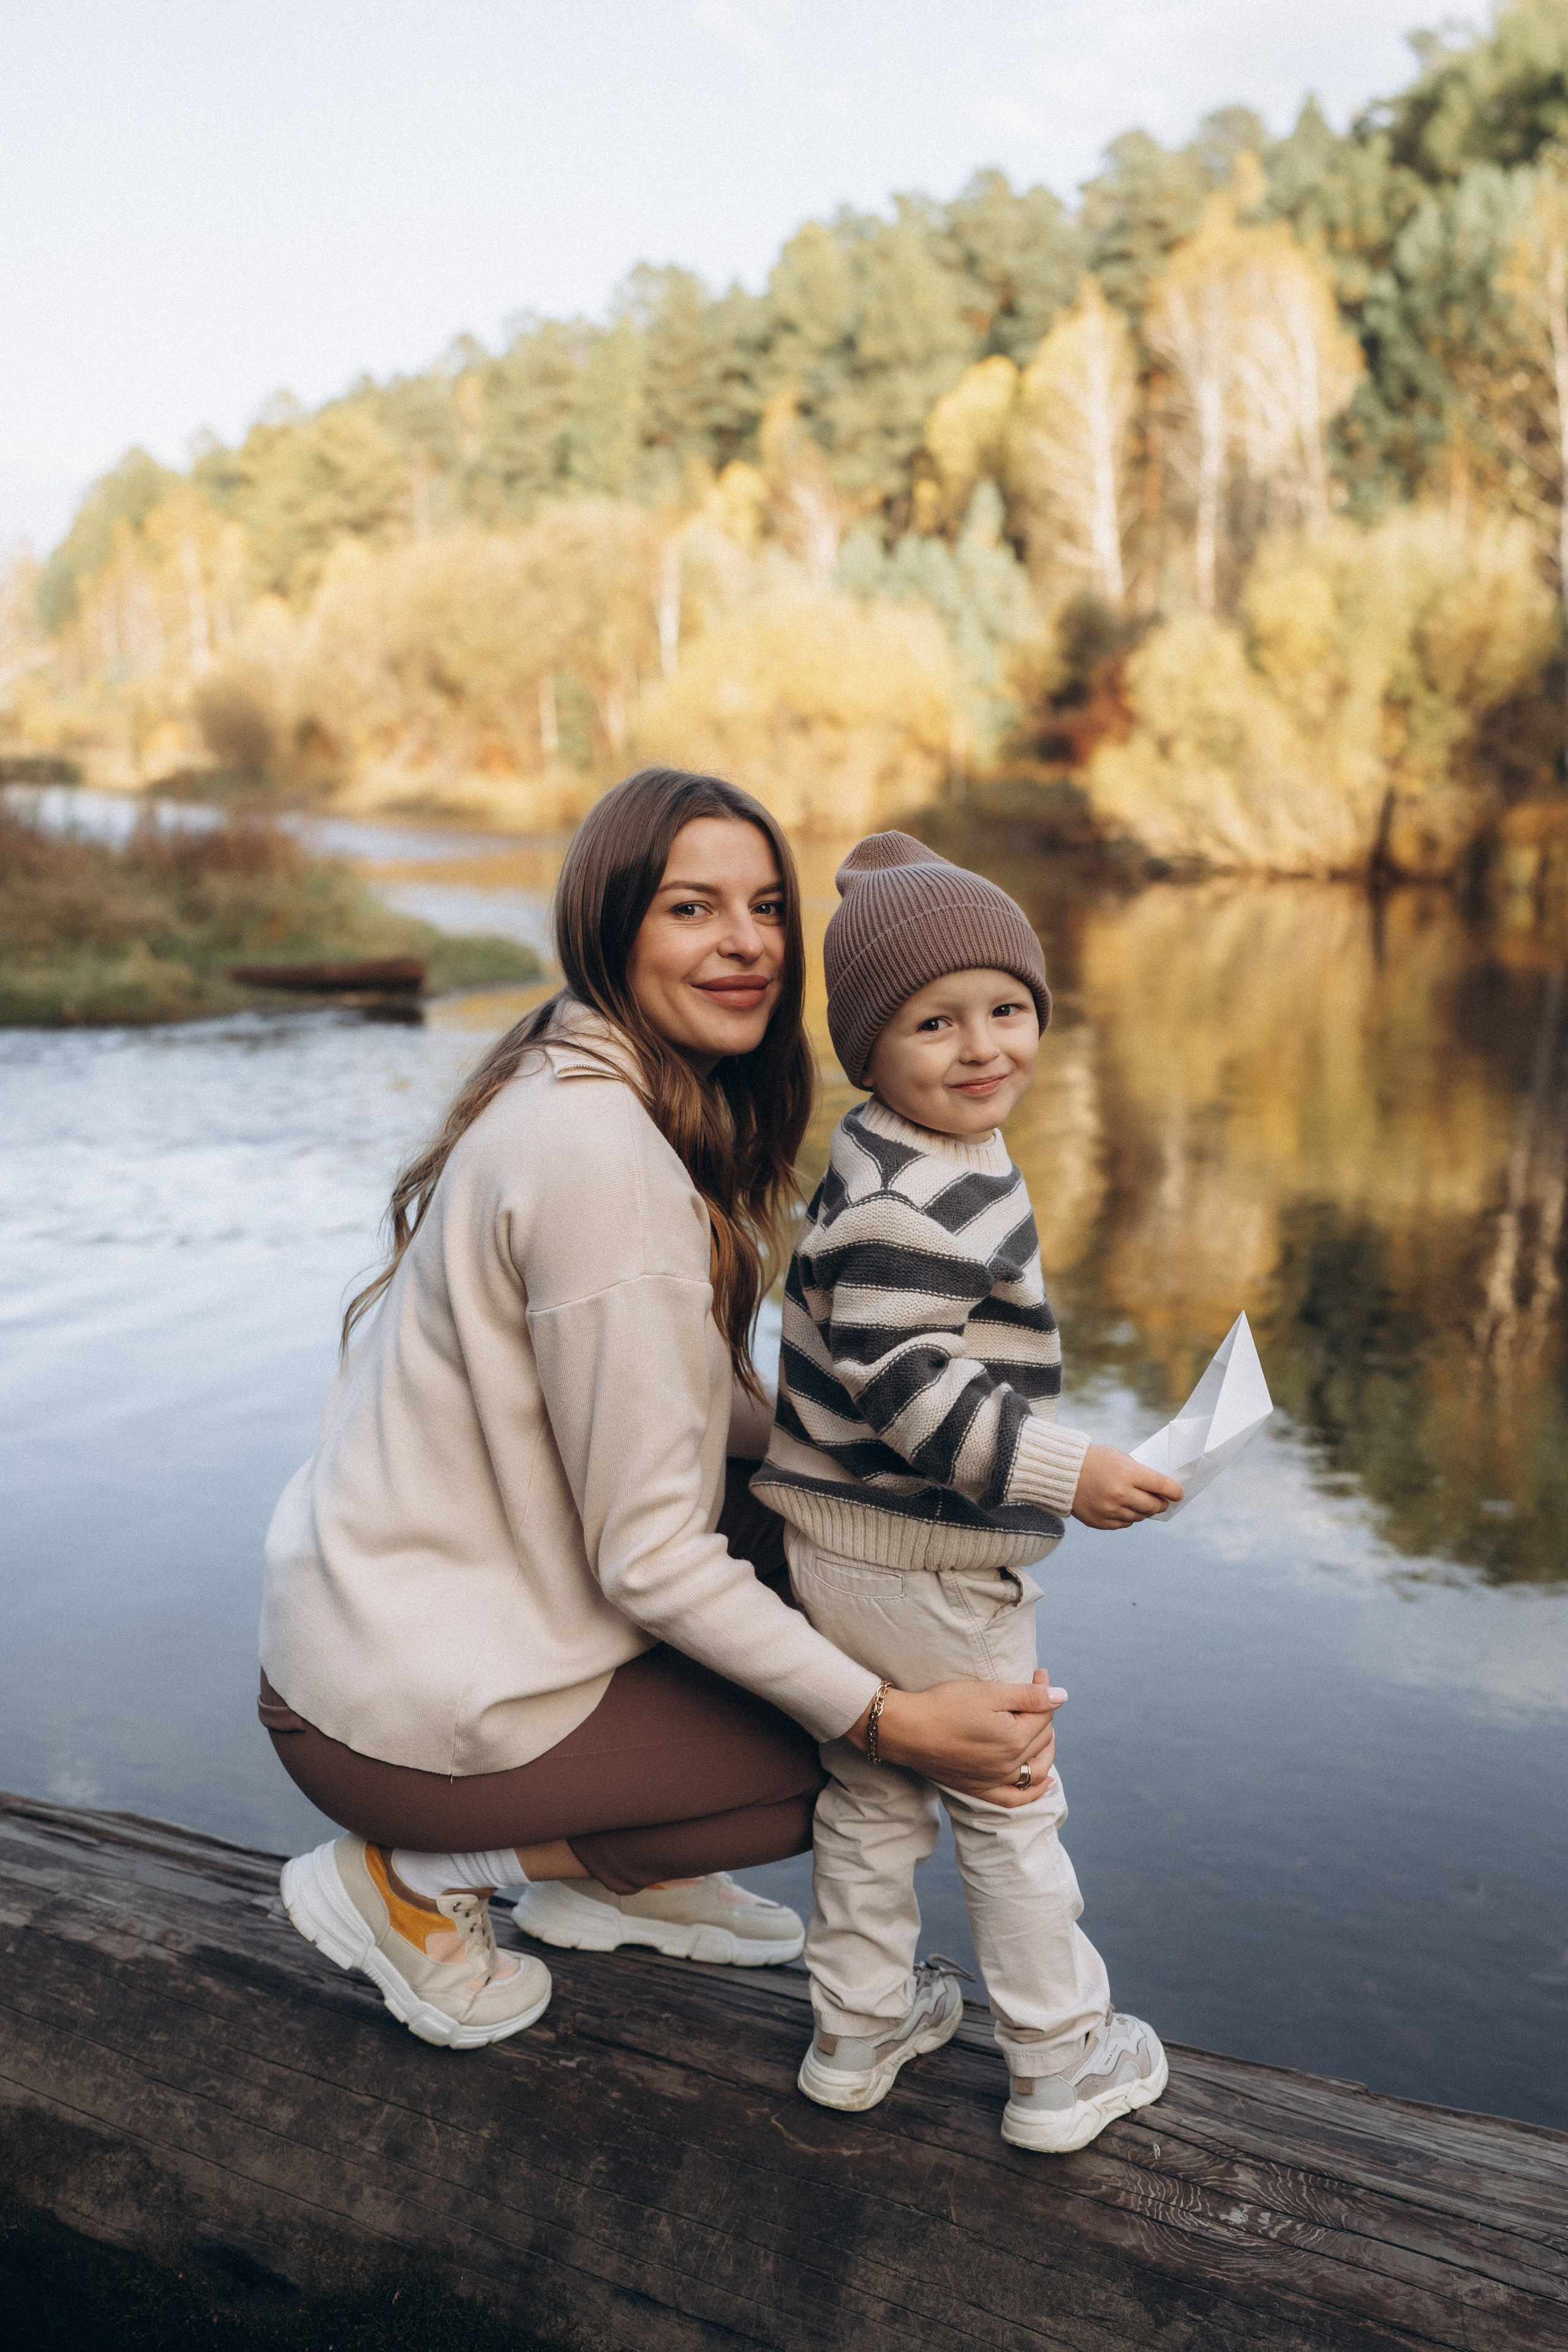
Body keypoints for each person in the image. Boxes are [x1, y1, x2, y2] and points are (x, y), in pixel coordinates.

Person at [260, 769, 1065, 2050]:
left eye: (764, 907)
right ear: (613, 925)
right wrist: (889, 1711)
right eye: (692, 908)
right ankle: (411, 1885)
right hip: (396, 1702)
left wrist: (929, 1458)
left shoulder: (585, 1070)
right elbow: (648, 1554)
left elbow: (692, 1402)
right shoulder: (601, 1162)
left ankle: (619, 1881)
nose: (744, 943)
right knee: (866, 1761)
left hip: (387, 1614)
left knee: (858, 1567)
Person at [750, 831, 1183, 2153]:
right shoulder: (906, 1198)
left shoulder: (912, 1150)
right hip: (924, 1559)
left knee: (873, 1796)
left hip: (841, 1546)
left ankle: (855, 2029)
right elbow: (906, 1383)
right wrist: (1071, 1468)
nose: (982, 1045)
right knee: (1006, 1795)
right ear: (867, 1050)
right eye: (933, 1022)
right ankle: (1057, 2060)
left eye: (1007, 1010)